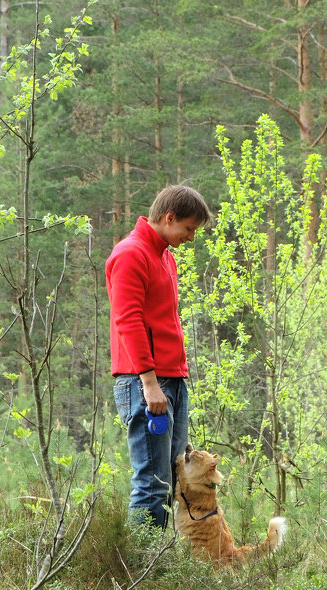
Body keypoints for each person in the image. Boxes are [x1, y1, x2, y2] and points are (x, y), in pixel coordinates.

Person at [106, 185, 212, 531]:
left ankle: (156, 564)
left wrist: (174, 380)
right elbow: (129, 321)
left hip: (171, 379)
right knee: (152, 482)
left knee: (170, 477)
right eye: (189, 228)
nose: (191, 237)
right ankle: (139, 571)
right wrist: (149, 384)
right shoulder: (130, 254)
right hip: (145, 383)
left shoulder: (164, 256)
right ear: (169, 218)